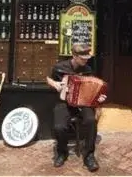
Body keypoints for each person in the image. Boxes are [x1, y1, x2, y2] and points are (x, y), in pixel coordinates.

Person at [46, 43, 107, 172]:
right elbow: (48, 79)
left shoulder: (88, 70)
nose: (85, 60)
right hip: (64, 102)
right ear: (74, 55)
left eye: (87, 57)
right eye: (82, 57)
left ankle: (89, 155)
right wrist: (56, 84)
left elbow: (94, 89)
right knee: (59, 127)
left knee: (91, 121)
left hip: (83, 102)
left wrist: (99, 98)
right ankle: (62, 152)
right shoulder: (59, 67)